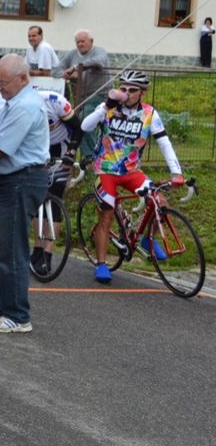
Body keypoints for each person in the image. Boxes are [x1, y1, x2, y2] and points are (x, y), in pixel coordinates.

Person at [81, 70, 184, 284]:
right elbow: (85, 126)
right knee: (107, 214)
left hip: (131, 172)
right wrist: (105, 106)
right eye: (123, 88)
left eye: (132, 90)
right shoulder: (108, 108)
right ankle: (101, 264)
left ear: (143, 93)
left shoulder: (149, 113)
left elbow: (164, 142)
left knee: (159, 201)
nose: (127, 93)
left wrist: (176, 172)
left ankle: (147, 238)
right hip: (106, 170)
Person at [0, 56, 49, 334]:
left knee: (13, 249)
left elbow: (0, 148)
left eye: (3, 83)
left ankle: (17, 315)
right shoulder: (16, 102)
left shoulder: (25, 106)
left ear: (23, 79)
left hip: (22, 180)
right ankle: (3, 306)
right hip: (11, 179)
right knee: (5, 246)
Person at [30, 87, 83, 276]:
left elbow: (79, 127)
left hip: (60, 146)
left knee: (54, 198)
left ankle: (48, 253)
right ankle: (37, 248)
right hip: (38, 147)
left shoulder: (56, 102)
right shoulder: (22, 106)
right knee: (38, 199)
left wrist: (70, 154)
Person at [57, 29, 108, 156]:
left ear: (91, 41)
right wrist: (67, 75)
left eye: (83, 41)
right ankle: (73, 155)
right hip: (80, 98)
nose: (80, 44)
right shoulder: (72, 54)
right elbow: (57, 69)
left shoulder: (98, 51)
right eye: (77, 42)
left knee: (84, 123)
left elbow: (99, 61)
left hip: (99, 96)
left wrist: (76, 68)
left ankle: (90, 158)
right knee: (72, 123)